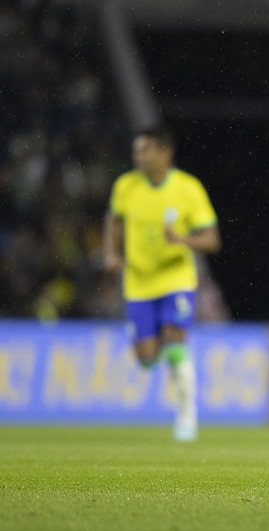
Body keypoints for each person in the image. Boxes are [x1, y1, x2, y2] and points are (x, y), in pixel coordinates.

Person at [103, 124, 221, 442]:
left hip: (176, 279)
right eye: (135, 150)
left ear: (163, 152)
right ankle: (146, 346)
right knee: (147, 358)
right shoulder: (126, 186)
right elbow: (114, 219)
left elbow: (211, 239)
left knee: (175, 343)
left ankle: (187, 417)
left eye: (143, 149)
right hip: (139, 282)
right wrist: (112, 253)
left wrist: (183, 239)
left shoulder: (187, 188)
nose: (136, 156)